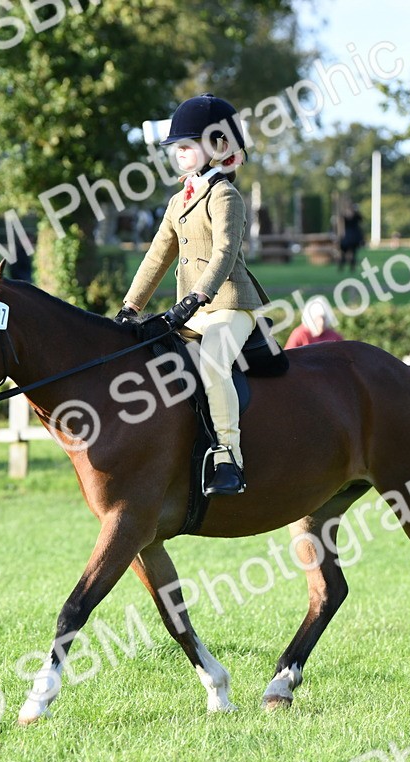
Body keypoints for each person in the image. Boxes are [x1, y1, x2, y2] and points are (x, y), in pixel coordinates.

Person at [115, 93, 269, 496]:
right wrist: (131, 307)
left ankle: (227, 457)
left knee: (215, 363)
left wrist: (197, 297)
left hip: (229, 304)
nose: (178, 154)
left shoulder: (224, 195)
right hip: (192, 311)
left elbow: (225, 252)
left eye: (186, 146)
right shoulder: (178, 200)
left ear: (218, 146)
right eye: (176, 148)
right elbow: (156, 256)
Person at [337, 204, 364, 272]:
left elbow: (360, 219)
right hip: (347, 237)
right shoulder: (345, 218)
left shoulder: (356, 217)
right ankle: (342, 267)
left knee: (353, 253)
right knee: (344, 253)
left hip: (353, 237)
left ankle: (352, 267)